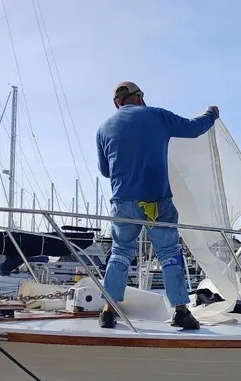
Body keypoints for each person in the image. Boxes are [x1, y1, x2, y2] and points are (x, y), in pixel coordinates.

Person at [96, 81, 219, 329]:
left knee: (120, 253)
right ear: (140, 97)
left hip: (123, 202)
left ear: (116, 104)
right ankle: (181, 312)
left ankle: (109, 310)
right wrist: (211, 114)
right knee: (169, 255)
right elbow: (195, 129)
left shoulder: (103, 129)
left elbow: (105, 171)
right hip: (157, 201)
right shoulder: (157, 116)